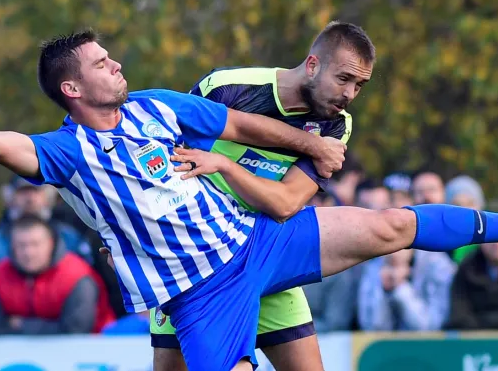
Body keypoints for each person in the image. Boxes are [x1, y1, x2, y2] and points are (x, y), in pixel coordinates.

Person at [0, 31, 498, 371]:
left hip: (257, 242)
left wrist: (311, 147)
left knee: (393, 222)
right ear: (72, 89)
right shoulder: (69, 151)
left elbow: (248, 130)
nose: (117, 64)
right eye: (102, 64)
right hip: (197, 291)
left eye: (111, 56)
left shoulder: (159, 105)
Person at [151, 21, 366, 371]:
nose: (350, 94)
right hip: (194, 260)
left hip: (264, 253)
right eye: (344, 79)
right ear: (312, 65)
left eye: (360, 85)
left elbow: (284, 204)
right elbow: (159, 167)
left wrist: (224, 165)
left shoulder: (336, 126)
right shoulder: (227, 87)